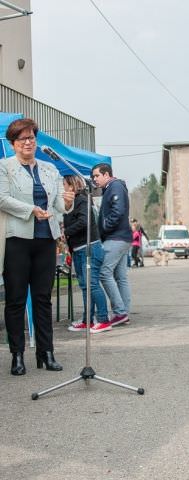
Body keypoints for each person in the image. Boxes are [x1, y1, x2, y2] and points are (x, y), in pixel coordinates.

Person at [0, 118, 74, 375]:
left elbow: (58, 208)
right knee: (16, 300)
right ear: (13, 144)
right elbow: (2, 199)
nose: (28, 143)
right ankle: (17, 355)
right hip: (17, 240)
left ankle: (46, 351)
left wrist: (67, 202)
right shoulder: (4, 167)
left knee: (43, 299)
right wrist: (31, 210)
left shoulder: (49, 169)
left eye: (31, 137)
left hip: (46, 240)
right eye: (22, 139)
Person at [62, 175, 111, 333]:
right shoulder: (70, 204)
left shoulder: (82, 200)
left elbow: (84, 222)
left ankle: (103, 320)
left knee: (92, 285)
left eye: (64, 184)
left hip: (89, 248)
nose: (62, 187)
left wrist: (66, 232)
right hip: (78, 250)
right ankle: (87, 320)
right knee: (85, 287)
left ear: (71, 186)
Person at [91, 163, 132, 327]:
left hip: (116, 237)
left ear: (106, 174)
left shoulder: (114, 186)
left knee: (103, 273)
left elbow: (118, 210)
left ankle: (120, 312)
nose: (94, 179)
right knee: (120, 277)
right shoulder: (113, 187)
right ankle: (123, 313)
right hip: (121, 237)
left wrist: (105, 228)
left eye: (96, 176)